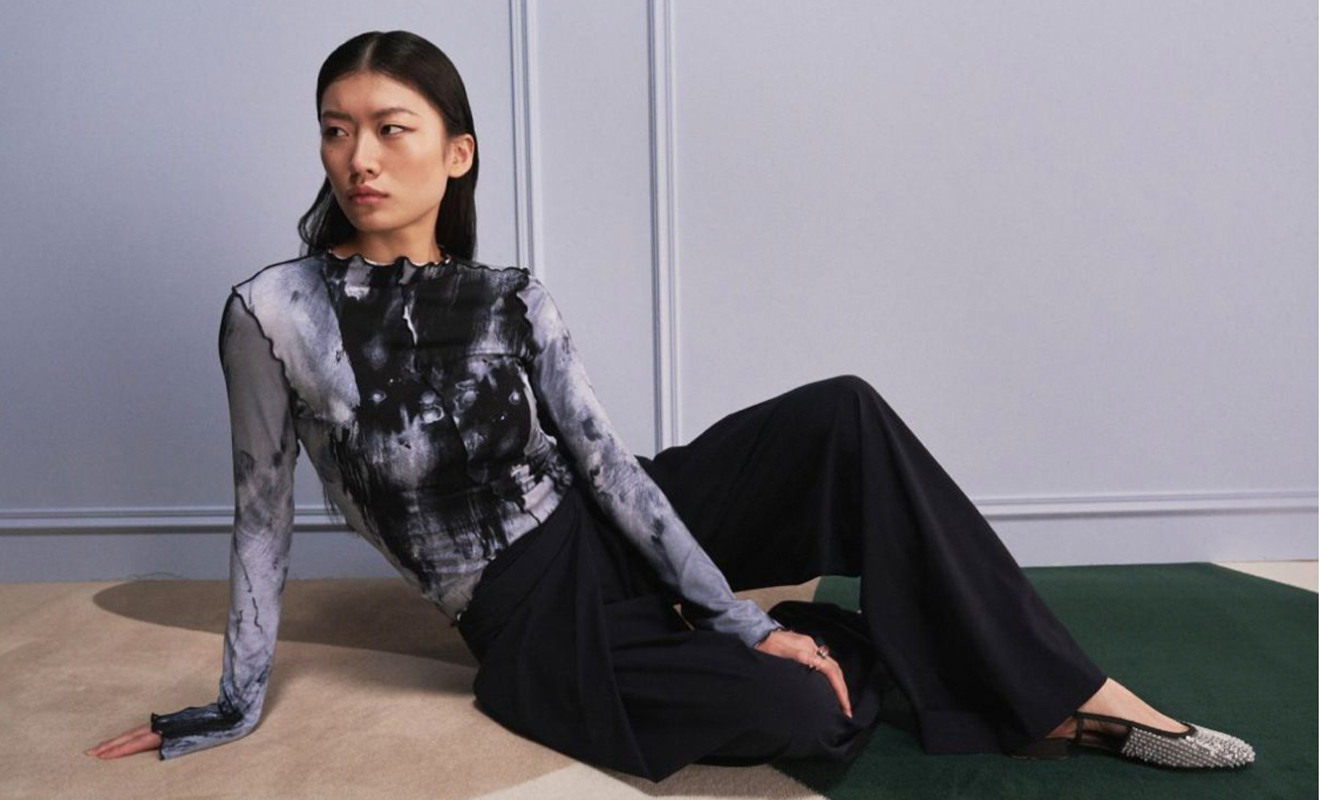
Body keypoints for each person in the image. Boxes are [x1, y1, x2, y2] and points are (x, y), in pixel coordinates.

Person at [85, 31, 1255, 779]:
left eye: (391, 129)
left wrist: (736, 614)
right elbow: (261, 517)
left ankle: (1075, 693)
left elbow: (608, 468)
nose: (360, 158)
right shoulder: (273, 311)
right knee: (802, 712)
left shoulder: (509, 296)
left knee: (843, 413)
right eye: (337, 130)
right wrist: (234, 698)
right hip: (527, 612)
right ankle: (868, 642)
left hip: (608, 523)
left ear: (457, 154)